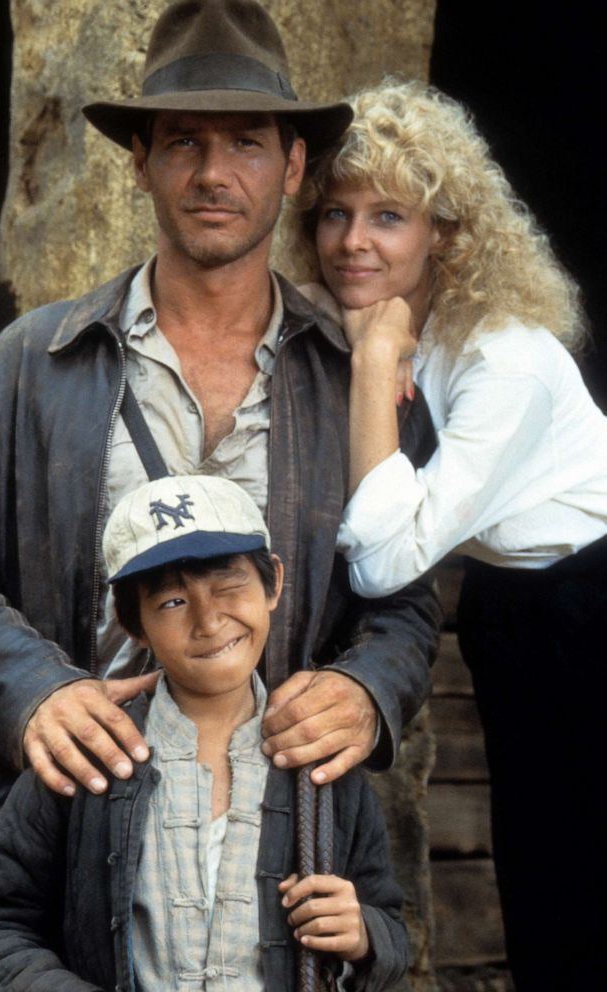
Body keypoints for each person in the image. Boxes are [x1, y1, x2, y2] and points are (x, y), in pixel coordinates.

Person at [0, 3, 440, 862]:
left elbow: (402, 598)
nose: (214, 173)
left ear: (291, 168)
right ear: (140, 163)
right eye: (183, 142)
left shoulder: (355, 381)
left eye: (246, 142)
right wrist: (37, 697)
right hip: (67, 827)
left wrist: (364, 690)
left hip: (275, 841)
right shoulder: (15, 368)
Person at [298, 77, 607, 991]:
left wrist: (372, 368)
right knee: (542, 888)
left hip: (594, 606)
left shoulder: (502, 358)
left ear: (444, 231)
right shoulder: (405, 329)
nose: (354, 242)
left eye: (388, 215)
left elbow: (389, 554)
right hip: (522, 612)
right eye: (333, 213)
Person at [0, 474, 409, 992]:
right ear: (132, 623)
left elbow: (389, 929)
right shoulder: (92, 755)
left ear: (273, 583)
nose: (209, 621)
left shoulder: (322, 757)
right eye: (172, 601)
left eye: (230, 584)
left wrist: (363, 936)